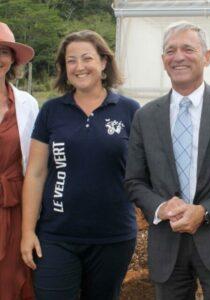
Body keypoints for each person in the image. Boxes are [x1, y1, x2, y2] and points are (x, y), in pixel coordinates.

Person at [125, 21, 210, 299]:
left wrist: (206, 210)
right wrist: (161, 207)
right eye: (170, 51)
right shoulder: (146, 116)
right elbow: (135, 181)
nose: (178, 57)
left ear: (207, 57)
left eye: (188, 49)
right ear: (163, 60)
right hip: (168, 243)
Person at [20, 30, 139, 300]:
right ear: (64, 68)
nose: (79, 66)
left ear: (104, 63)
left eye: (87, 58)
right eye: (71, 60)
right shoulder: (52, 111)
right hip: (56, 235)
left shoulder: (129, 110)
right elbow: (36, 173)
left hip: (113, 236)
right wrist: (27, 232)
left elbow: (143, 172)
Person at [0, 21, 37, 300]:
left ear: (12, 59)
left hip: (15, 207)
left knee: (12, 281)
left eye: (3, 51)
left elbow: (36, 164)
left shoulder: (27, 103)